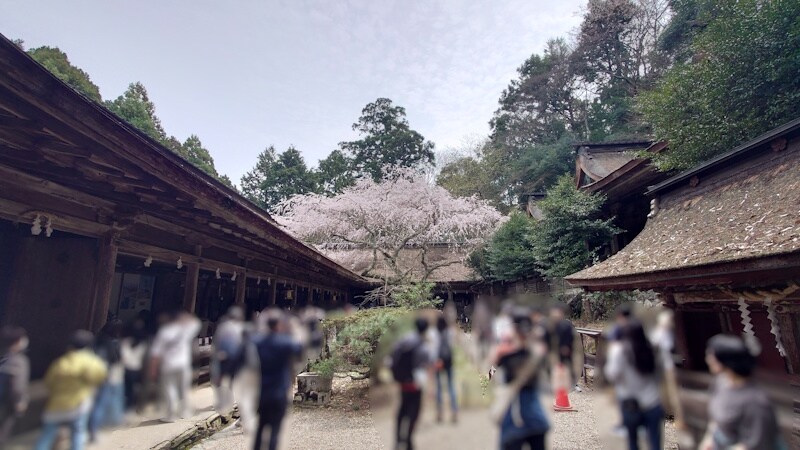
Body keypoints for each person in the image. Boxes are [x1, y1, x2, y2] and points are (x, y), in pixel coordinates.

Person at [702, 334, 784, 450]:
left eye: (711, 355)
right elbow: (715, 421)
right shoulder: (720, 382)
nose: (708, 359)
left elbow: (756, 444)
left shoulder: (756, 402)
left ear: (725, 361)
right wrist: (708, 440)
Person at [35, 330, 107, 450]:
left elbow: (48, 382)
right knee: (78, 434)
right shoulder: (92, 361)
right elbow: (99, 377)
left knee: (46, 435)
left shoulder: (60, 362)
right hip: (79, 404)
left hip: (56, 404)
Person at [493, 308, 550, 450]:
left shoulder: (504, 354)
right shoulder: (538, 353)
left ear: (513, 328)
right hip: (535, 416)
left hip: (513, 416)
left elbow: (488, 374)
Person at [604, 321, 664, 450]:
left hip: (631, 404)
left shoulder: (620, 351)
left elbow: (611, 374)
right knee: (655, 441)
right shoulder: (653, 349)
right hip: (653, 402)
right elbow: (661, 374)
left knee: (633, 441)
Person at [252, 310, 303, 450]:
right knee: (275, 429)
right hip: (279, 391)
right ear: (279, 324)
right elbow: (300, 351)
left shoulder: (257, 341)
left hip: (262, 390)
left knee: (261, 426)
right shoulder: (285, 342)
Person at [149, 309, 201, 422]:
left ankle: (171, 416)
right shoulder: (184, 330)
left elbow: (155, 354)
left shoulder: (164, 332)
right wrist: (187, 317)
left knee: (169, 390)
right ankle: (185, 412)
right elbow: (196, 323)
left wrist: (153, 370)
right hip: (183, 364)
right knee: (183, 389)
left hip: (168, 365)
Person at [391, 317, 433, 450]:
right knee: (413, 413)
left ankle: (398, 440)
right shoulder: (423, 345)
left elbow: (394, 354)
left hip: (403, 382)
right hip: (415, 384)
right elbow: (427, 363)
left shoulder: (405, 339)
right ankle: (408, 441)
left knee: (402, 411)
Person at [89, 319, 125, 442]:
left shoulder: (96, 339)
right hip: (106, 375)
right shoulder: (113, 343)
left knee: (92, 402)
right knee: (101, 402)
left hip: (91, 373)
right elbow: (115, 360)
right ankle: (95, 430)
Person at [211, 306, 246, 412]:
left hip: (223, 356)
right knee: (232, 381)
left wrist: (216, 354)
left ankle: (221, 402)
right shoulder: (241, 327)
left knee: (220, 380)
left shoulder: (223, 327)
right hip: (236, 358)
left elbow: (217, 342)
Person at [0, 326, 29, 445]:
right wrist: (20, 402)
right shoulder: (18, 361)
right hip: (6, 403)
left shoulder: (3, 357)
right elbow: (17, 387)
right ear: (18, 342)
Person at [549, 304, 582, 392]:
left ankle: (574, 384)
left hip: (568, 349)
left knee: (570, 366)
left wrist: (568, 346)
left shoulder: (567, 323)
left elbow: (573, 335)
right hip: (556, 350)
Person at [121, 317, 148, 411]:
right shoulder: (143, 343)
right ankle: (131, 407)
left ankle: (125, 406)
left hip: (126, 368)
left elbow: (123, 356)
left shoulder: (125, 341)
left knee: (125, 389)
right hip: (136, 368)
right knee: (133, 389)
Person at [434, 316, 458, 423]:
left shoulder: (434, 333)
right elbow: (453, 346)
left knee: (439, 388)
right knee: (451, 386)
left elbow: (433, 349)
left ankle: (440, 413)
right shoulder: (450, 332)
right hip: (448, 361)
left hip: (438, 362)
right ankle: (454, 412)